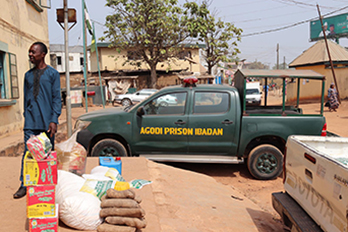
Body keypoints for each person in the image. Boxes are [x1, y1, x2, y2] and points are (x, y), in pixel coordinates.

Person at [13, 42, 61, 199]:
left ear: (43, 54)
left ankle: (46, 184)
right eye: (29, 52)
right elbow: (26, 97)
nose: (30, 55)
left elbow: (56, 98)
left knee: (46, 155)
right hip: (31, 123)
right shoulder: (27, 75)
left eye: (33, 52)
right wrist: (26, 116)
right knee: (28, 154)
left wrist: (54, 119)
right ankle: (24, 185)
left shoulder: (52, 74)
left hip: (47, 124)